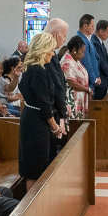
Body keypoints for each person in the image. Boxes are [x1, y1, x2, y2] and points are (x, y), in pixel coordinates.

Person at [19, 32, 64, 187]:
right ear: (43, 50)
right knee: (34, 167)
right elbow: (44, 104)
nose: (52, 53)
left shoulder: (31, 67)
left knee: (39, 162)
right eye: (51, 50)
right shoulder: (37, 70)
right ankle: (31, 208)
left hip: (32, 117)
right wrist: (55, 126)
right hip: (36, 122)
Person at [43, 19, 70, 155]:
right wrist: (63, 111)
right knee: (53, 153)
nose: (65, 39)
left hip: (55, 109)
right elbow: (56, 87)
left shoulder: (51, 53)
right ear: (56, 34)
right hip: (51, 112)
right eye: (64, 35)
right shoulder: (47, 55)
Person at [59, 36, 90, 119]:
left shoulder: (75, 60)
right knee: (74, 127)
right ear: (74, 50)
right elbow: (71, 82)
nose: (83, 54)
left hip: (78, 99)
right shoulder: (67, 62)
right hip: (71, 100)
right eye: (82, 51)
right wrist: (87, 89)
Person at [92, 20, 108, 100]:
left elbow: (106, 58)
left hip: (104, 80)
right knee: (98, 105)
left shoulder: (100, 42)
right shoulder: (94, 42)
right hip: (100, 80)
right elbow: (101, 61)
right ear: (101, 31)